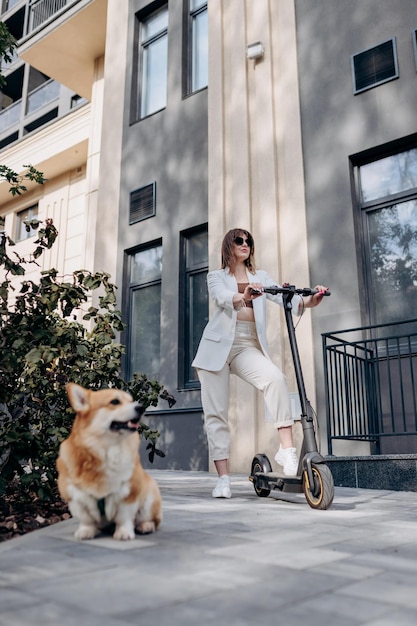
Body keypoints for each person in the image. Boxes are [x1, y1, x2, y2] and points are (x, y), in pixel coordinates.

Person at [192, 228, 329, 499]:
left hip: (246, 346)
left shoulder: (261, 277)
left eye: (248, 242)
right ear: (228, 246)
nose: (245, 245)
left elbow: (287, 300)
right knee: (216, 413)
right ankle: (223, 478)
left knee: (275, 379)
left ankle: (287, 450)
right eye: (239, 241)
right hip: (216, 350)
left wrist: (313, 299)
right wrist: (243, 297)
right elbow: (222, 297)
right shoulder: (216, 277)